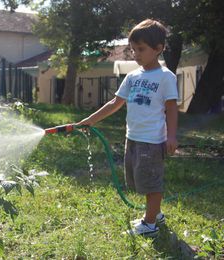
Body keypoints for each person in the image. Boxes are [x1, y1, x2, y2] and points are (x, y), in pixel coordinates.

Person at [76, 19, 178, 237]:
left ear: (158, 49)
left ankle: (149, 225)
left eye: (141, 49)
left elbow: (171, 108)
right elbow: (115, 103)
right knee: (137, 179)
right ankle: (156, 214)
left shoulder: (166, 77)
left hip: (152, 141)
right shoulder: (132, 77)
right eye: (133, 49)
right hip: (132, 138)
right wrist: (90, 120)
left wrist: (171, 137)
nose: (136, 54)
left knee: (151, 183)